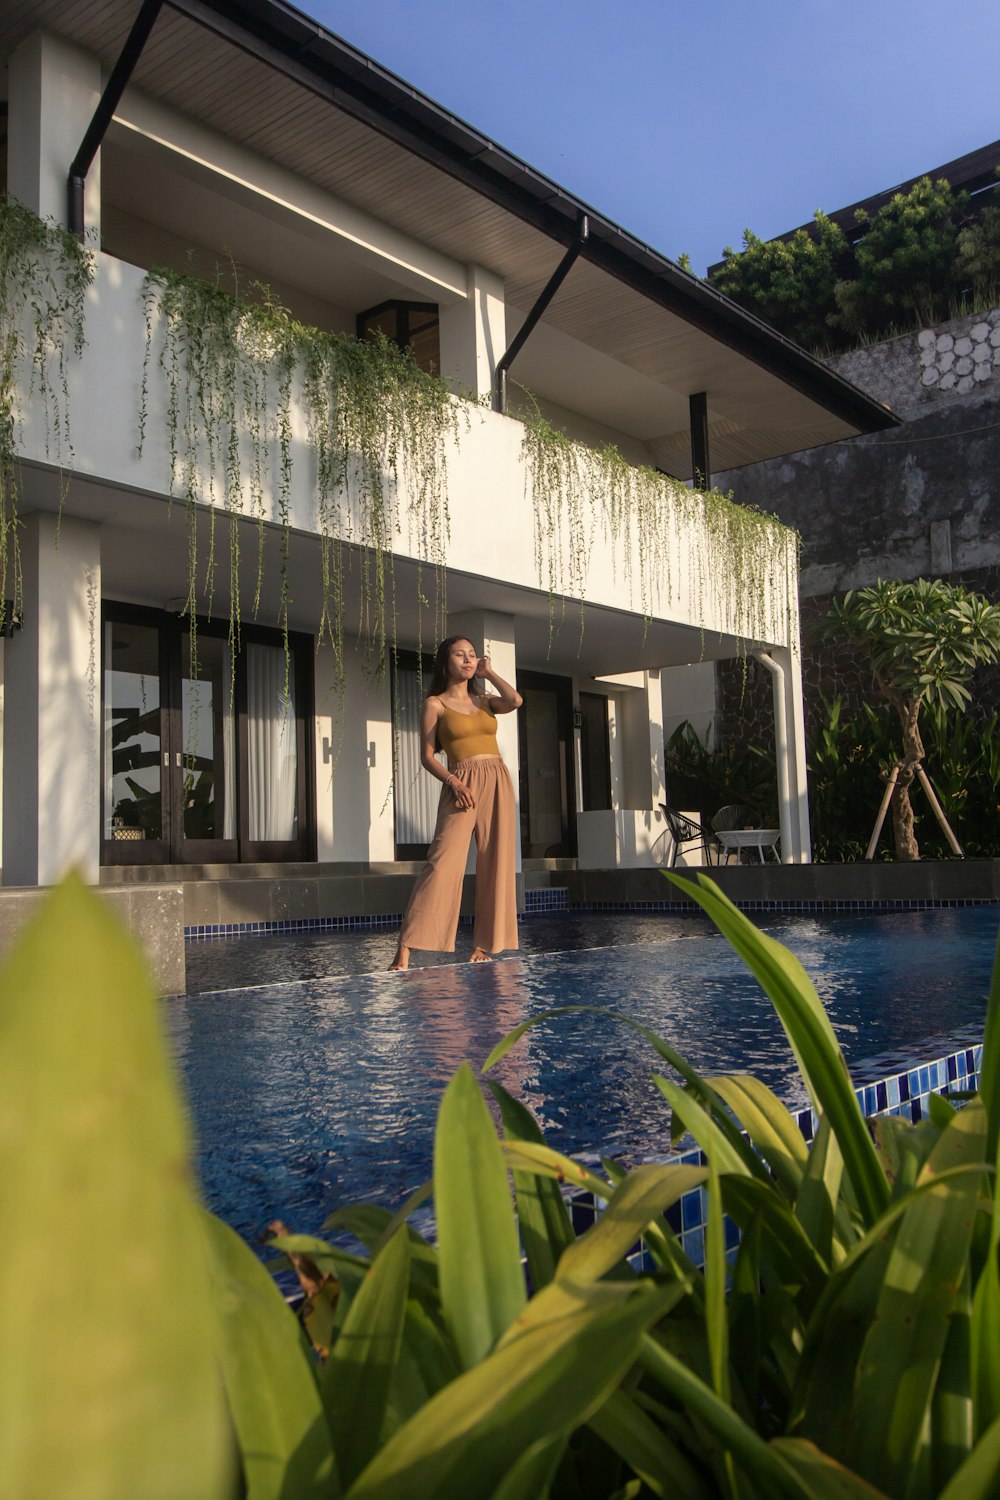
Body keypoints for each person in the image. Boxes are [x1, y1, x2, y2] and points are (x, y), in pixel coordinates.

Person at [389, 635, 522, 970]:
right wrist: (453, 780)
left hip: (497, 779)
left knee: (496, 860)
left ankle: (484, 945)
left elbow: (516, 700)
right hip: (460, 782)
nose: (468, 659)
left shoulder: (485, 700)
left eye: (472, 655)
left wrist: (489, 673)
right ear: (445, 663)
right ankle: (406, 947)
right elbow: (427, 756)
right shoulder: (435, 704)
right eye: (460, 655)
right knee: (442, 862)